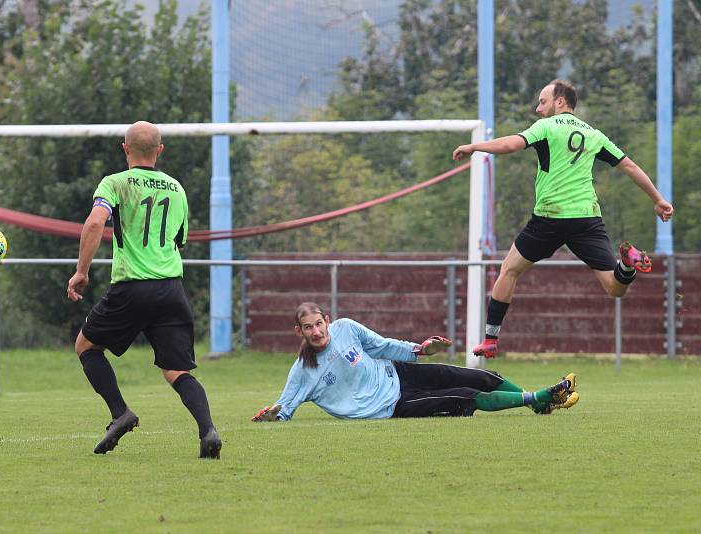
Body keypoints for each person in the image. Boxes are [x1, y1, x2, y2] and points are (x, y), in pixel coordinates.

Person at [453, 79, 674, 358]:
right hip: (586, 218)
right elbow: (628, 165)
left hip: (550, 217)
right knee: (615, 287)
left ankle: (490, 340)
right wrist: (658, 199)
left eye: (543, 102)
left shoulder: (546, 127)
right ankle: (627, 264)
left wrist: (476, 147)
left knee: (509, 270)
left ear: (560, 102)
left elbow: (511, 144)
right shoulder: (593, 134)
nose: (538, 109)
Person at [67, 120, 221, 459]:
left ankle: (120, 412)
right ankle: (207, 429)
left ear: (125, 148)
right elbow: (179, 241)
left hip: (133, 285)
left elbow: (95, 222)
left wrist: (81, 272)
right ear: (160, 150)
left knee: (86, 346)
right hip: (171, 288)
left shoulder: (115, 183)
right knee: (176, 370)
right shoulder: (177, 188)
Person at [251, 302, 578, 423]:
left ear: (327, 320)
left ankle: (538, 405)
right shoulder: (303, 371)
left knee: (480, 375)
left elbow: (382, 345)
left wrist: (421, 350)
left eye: (319, 324)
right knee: (464, 395)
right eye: (308, 328)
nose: (317, 331)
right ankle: (539, 398)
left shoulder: (346, 328)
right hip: (390, 405)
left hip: (398, 372)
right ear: (300, 332)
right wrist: (269, 415)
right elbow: (285, 407)